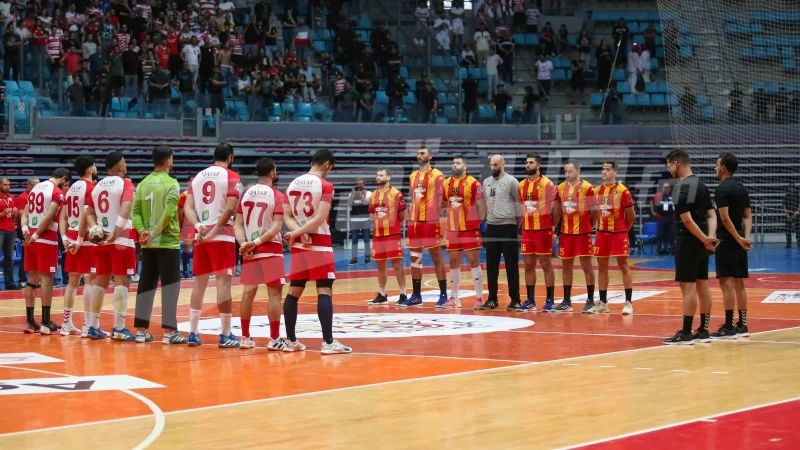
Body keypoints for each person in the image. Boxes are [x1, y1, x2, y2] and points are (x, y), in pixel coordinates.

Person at [283, 149, 351, 354]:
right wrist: (303, 231)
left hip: (299, 244)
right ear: (328, 165)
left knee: (294, 291)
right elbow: (320, 218)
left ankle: (291, 341)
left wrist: (297, 232)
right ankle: (328, 343)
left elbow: (287, 215)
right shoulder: (325, 185)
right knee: (324, 289)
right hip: (319, 243)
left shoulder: (292, 183)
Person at [184, 143, 242, 348]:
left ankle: (192, 332)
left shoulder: (198, 177)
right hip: (222, 235)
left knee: (198, 284)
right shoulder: (232, 176)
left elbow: (188, 207)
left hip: (202, 235)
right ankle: (226, 334)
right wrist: (216, 230)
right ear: (230, 157)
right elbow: (230, 209)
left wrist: (200, 226)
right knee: (223, 284)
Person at [130, 146, 187, 344]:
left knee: (146, 284)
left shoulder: (142, 184)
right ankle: (170, 332)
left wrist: (143, 231)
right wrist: (153, 232)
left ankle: (140, 330)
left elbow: (135, 211)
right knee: (170, 286)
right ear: (169, 160)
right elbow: (170, 212)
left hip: (147, 244)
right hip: (167, 241)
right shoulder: (172, 184)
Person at [663, 149, 718, 345]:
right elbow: (712, 215)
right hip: (703, 244)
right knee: (703, 285)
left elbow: (686, 221)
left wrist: (704, 238)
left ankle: (686, 332)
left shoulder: (680, 187)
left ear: (676, 164)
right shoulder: (702, 186)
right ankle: (703, 330)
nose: (668, 170)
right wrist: (709, 238)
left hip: (688, 241)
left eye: (669, 165)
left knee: (688, 288)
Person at [79, 151, 137, 341]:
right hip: (120, 239)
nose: (126, 165)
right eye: (125, 162)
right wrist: (117, 231)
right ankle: (119, 328)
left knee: (100, 283)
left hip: (101, 240)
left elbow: (87, 211)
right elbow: (126, 208)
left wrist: (95, 227)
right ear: (120, 165)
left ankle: (93, 326)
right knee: (122, 282)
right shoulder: (125, 183)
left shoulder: (97, 187)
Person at [234, 158, 287, 350]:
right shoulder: (277, 195)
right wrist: (255, 243)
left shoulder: (246, 194)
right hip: (269, 250)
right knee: (274, 295)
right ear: (272, 173)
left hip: (249, 252)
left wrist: (244, 245)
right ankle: (274, 339)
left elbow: (237, 224)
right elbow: (275, 228)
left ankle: (245, 337)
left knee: (248, 294)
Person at [20, 168, 71, 334]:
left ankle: (29, 322)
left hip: (31, 238)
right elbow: (49, 217)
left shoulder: (35, 188)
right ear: (63, 178)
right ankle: (45, 322)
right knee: (47, 279)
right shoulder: (56, 192)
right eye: (66, 183)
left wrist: (26, 230)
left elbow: (24, 214)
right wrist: (35, 236)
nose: (66, 187)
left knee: (31, 279)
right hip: (45, 238)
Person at [710, 152, 751, 339]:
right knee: (739, 283)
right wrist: (745, 238)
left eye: (717, 165)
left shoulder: (722, 189)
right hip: (740, 239)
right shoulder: (742, 188)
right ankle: (742, 325)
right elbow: (747, 216)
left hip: (727, 239)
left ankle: (728, 325)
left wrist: (736, 238)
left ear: (724, 168)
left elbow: (725, 219)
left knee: (726, 282)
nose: (715, 168)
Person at [440, 156, 486, 309]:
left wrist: (476, 222)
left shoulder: (473, 183)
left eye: (458, 163)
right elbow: (444, 203)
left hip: (469, 228)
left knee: (474, 262)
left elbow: (482, 206)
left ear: (465, 166)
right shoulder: (446, 182)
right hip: (452, 229)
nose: (455, 165)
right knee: (453, 263)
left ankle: (479, 298)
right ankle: (454, 298)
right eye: (453, 163)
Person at [404, 146, 448, 307]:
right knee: (415, 259)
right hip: (414, 223)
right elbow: (413, 198)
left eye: (422, 153)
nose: (419, 155)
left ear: (430, 156)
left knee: (436, 257)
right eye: (417, 153)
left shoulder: (438, 176)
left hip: (430, 222)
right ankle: (416, 295)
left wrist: (433, 213)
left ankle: (443, 294)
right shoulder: (412, 176)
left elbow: (443, 200)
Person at [59, 156, 98, 336]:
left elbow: (64, 216)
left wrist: (65, 237)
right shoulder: (90, 188)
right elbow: (86, 214)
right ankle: (88, 325)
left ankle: (66, 323)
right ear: (90, 170)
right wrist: (81, 240)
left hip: (71, 237)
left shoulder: (71, 188)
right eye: (94, 166)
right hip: (85, 239)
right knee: (90, 280)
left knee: (72, 282)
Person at [590, 161, 635, 315]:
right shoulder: (596, 191)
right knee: (601, 267)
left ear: (615, 172)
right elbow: (595, 214)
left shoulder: (623, 191)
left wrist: (623, 231)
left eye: (608, 169)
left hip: (619, 233)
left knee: (623, 265)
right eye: (603, 169)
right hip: (602, 233)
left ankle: (628, 302)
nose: (604, 172)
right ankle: (603, 303)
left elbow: (631, 216)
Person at [551, 160, 596, 312]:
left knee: (587, 267)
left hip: (582, 233)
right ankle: (566, 301)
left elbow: (595, 211)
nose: (567, 174)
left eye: (570, 171)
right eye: (565, 172)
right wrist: (554, 228)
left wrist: (589, 225)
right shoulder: (561, 187)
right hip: (566, 233)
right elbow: (557, 210)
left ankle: (590, 301)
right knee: (566, 268)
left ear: (578, 171)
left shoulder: (587, 187)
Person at [516, 154, 558, 311]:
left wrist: (553, 227)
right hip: (528, 231)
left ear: (538, 165)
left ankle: (550, 300)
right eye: (526, 162)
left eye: (531, 162)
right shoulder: (521, 185)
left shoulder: (547, 184)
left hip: (543, 230)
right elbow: (521, 208)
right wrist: (519, 227)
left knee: (546, 264)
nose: (528, 165)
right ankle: (530, 300)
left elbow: (555, 208)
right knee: (528, 265)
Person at [478, 154, 521, 310]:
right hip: (492, 227)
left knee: (511, 265)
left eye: (496, 164)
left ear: (503, 164)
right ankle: (492, 299)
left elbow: (519, 206)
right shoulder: (486, 182)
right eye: (491, 165)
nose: (493, 167)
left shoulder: (512, 182)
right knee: (491, 265)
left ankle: (515, 299)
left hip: (508, 226)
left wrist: (515, 226)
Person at [367, 168, 408, 305]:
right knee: (380, 266)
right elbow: (372, 213)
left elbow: (403, 214)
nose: (378, 177)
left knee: (397, 265)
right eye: (377, 175)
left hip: (392, 234)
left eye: (381, 175)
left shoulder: (396, 194)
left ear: (389, 177)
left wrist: (394, 224)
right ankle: (382, 294)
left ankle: (403, 294)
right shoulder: (373, 195)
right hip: (378, 235)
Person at [15, 178, 39, 286]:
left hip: (35, 228)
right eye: (34, 185)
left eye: (38, 185)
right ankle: (22, 278)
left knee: (36, 255)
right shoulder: (23, 197)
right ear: (28, 185)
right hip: (24, 229)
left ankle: (35, 279)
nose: (36, 187)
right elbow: (21, 213)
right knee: (26, 255)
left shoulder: (39, 197)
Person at [0, 177, 19, 290]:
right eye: (5, 185)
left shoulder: (11, 197)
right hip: (0, 229)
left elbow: (15, 215)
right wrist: (2, 214)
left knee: (9, 259)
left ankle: (9, 282)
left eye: (9, 185)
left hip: (10, 230)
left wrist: (15, 213)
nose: (7, 187)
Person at [347, 178, 372, 265]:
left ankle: (367, 258)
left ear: (364, 184)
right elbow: (349, 204)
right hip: (354, 220)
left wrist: (360, 195)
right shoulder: (352, 194)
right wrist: (352, 195)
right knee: (354, 240)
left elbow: (365, 203)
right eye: (358, 184)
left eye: (361, 184)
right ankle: (354, 258)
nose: (359, 185)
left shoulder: (368, 193)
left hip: (365, 219)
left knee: (366, 239)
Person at [650, 182, 675, 254]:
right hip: (661, 217)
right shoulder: (658, 195)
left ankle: (673, 250)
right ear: (662, 188)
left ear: (670, 189)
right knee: (660, 235)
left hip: (671, 218)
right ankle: (658, 250)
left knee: (672, 234)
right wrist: (652, 211)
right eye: (665, 188)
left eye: (668, 188)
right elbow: (651, 201)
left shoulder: (674, 196)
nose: (666, 189)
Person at [177, 176, 194, 279]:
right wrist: (181, 225)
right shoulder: (184, 195)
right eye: (191, 181)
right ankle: (184, 271)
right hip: (187, 225)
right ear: (188, 183)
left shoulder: (198, 194)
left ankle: (190, 271)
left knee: (193, 248)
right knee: (184, 248)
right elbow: (180, 212)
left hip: (195, 224)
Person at [784, 182, 799, 248]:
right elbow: (784, 206)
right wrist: (787, 214)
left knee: (798, 229)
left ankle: (799, 242)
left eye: (792, 187)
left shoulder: (798, 196)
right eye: (790, 187)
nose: (791, 188)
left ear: (794, 188)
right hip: (789, 215)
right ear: (788, 188)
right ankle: (788, 243)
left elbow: (799, 205)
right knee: (787, 229)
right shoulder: (786, 196)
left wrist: (796, 213)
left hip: (797, 215)